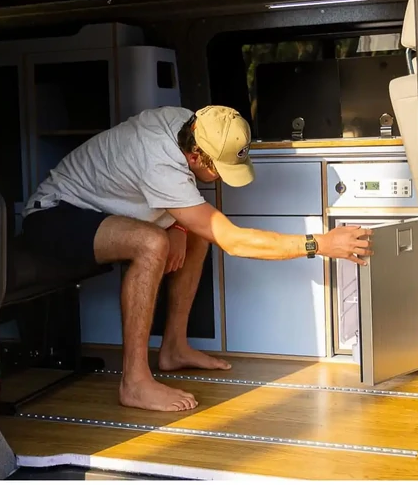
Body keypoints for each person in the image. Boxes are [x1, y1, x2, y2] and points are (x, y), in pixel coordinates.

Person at [22, 105, 373, 412]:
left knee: (196, 233)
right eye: (219, 170)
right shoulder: (161, 162)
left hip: (100, 212)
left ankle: (174, 348)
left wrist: (180, 226)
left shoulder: (191, 123)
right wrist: (320, 244)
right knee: (151, 243)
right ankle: (134, 383)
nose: (220, 178)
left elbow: (184, 206)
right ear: (194, 157)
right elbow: (234, 241)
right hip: (54, 217)